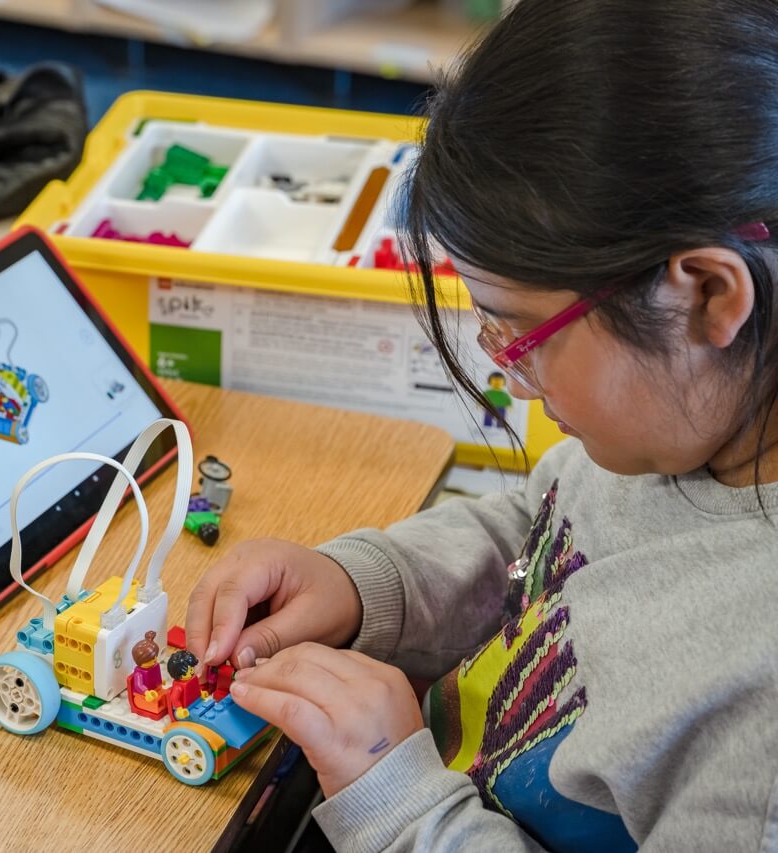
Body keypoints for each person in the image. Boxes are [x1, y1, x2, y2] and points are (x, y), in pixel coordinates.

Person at [184, 1, 778, 849]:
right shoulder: (698, 414)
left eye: (519, 329)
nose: (505, 367)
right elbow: (541, 535)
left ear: (708, 295)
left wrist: (397, 800)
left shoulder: (760, 730)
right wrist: (364, 584)